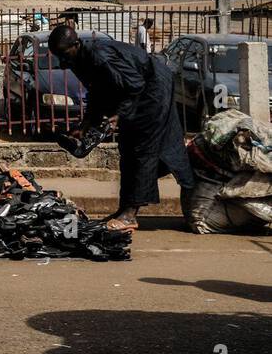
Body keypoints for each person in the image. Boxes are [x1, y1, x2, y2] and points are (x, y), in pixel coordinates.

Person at [50, 24, 195, 231]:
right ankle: (124, 208)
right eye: (57, 56)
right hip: (136, 94)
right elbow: (96, 92)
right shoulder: (79, 60)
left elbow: (135, 84)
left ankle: (130, 215)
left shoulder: (99, 56)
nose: (62, 62)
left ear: (75, 44)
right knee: (127, 149)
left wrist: (119, 115)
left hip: (152, 90)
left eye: (63, 54)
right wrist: (85, 126)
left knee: (141, 149)